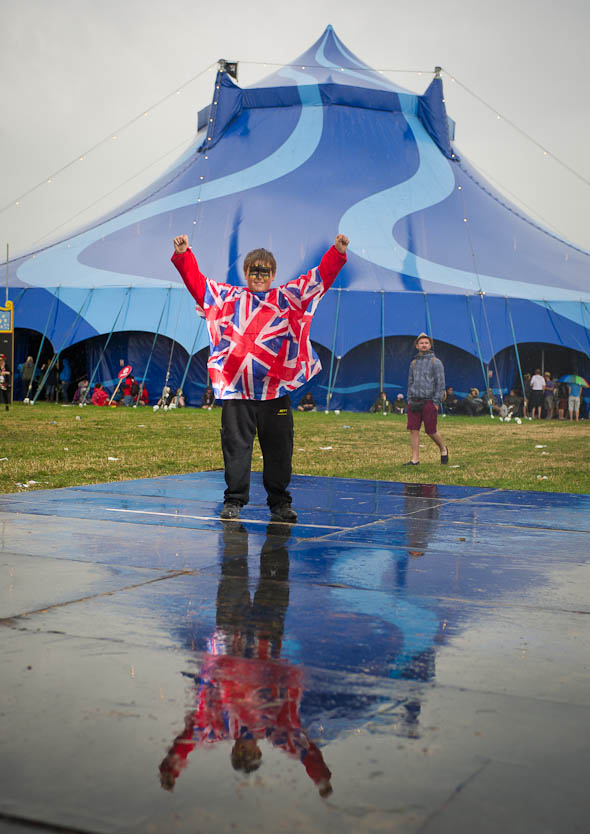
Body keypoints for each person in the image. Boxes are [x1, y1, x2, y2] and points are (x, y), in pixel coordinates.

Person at [171, 231, 349, 522]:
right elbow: (198, 285)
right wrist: (184, 256)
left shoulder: (286, 298)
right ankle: (234, 501)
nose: (258, 276)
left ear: (273, 273)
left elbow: (317, 281)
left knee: (279, 451)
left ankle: (280, 503)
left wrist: (337, 253)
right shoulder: (228, 298)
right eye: (253, 271)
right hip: (237, 392)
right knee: (236, 449)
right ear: (245, 272)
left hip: (275, 392)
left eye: (264, 271)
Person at [404, 333, 447, 466]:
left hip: (429, 401)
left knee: (431, 431)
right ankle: (415, 459)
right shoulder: (413, 363)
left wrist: (436, 402)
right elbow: (410, 381)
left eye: (426, 343)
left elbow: (441, 384)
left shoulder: (436, 362)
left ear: (430, 345)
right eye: (421, 343)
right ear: (417, 346)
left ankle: (443, 448)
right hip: (414, 401)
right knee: (413, 429)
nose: (424, 345)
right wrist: (409, 399)